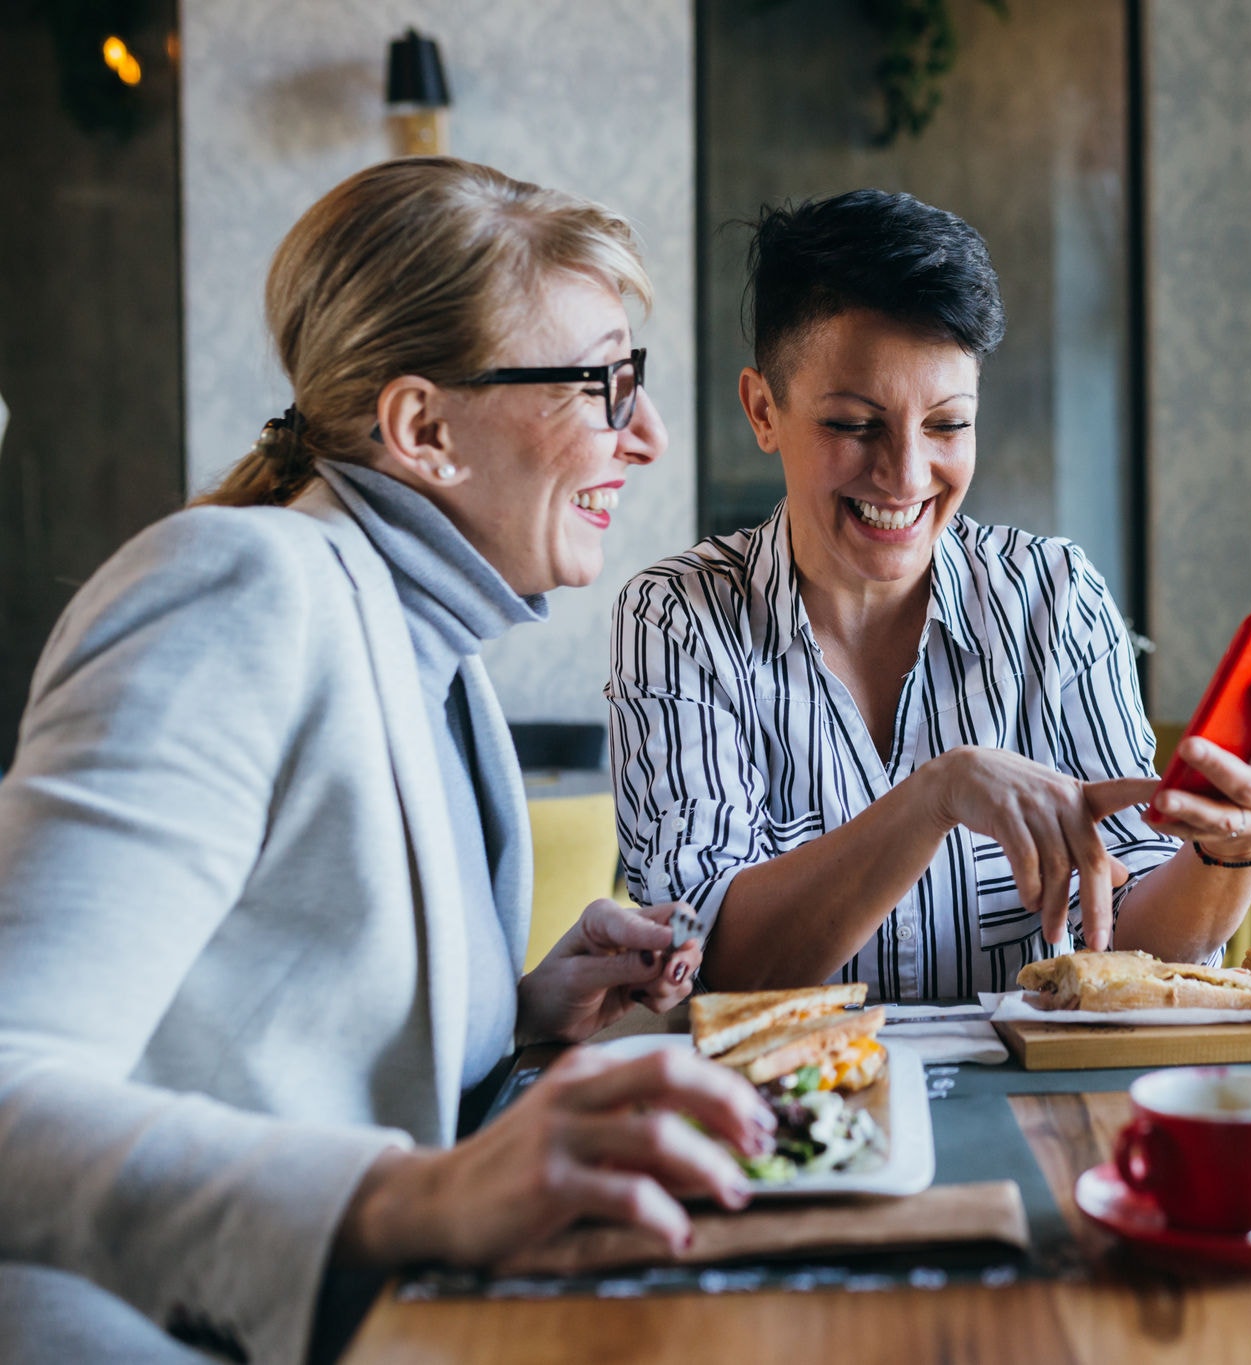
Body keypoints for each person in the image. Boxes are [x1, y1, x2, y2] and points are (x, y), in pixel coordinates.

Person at [0, 157, 774, 1365]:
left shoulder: (438, 654)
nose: (649, 434)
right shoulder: (240, 589)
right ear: (424, 429)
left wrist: (522, 1014)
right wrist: (417, 1202)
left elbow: (292, 1038)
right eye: (598, 384)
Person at [608, 189, 1251, 1001]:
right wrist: (933, 797)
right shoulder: (677, 617)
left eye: (947, 425)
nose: (907, 476)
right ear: (764, 410)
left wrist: (1233, 853)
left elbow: (1136, 949)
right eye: (853, 424)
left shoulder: (1053, 599)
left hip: (1039, 1115)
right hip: (792, 1117)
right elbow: (709, 962)